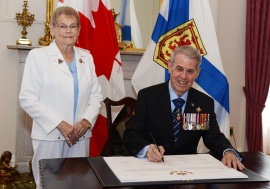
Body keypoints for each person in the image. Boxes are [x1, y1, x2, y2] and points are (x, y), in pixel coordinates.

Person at [19, 6, 103, 188]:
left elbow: (96, 96)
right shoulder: (38, 56)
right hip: (50, 135)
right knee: (49, 185)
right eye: (63, 26)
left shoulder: (86, 57)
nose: (68, 31)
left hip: (80, 136)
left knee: (79, 184)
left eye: (73, 26)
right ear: (52, 28)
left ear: (79, 30)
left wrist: (86, 121)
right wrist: (60, 124)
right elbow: (27, 98)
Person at [123, 45, 245, 171]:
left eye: (190, 71)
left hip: (188, 171)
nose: (183, 76)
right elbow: (132, 134)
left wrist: (228, 151)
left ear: (197, 73)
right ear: (170, 67)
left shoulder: (203, 103)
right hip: (152, 167)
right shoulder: (148, 97)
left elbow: (213, 137)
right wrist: (146, 149)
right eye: (179, 69)